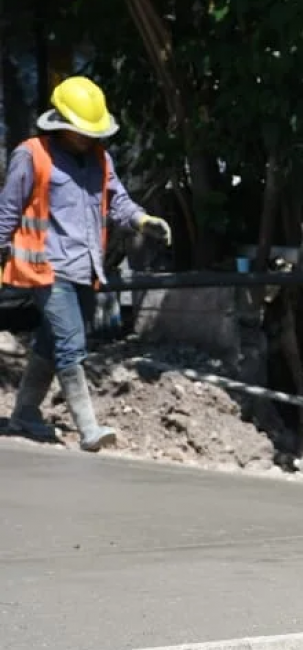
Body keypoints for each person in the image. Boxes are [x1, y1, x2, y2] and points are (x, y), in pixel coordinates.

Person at [0, 75, 171, 450]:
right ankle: (89, 428)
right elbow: (7, 212)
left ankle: (25, 412)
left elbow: (120, 201)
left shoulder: (100, 159)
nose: (87, 138)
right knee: (71, 343)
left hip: (88, 269)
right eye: (80, 131)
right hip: (47, 269)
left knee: (50, 342)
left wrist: (143, 220)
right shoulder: (31, 155)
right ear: (60, 122)